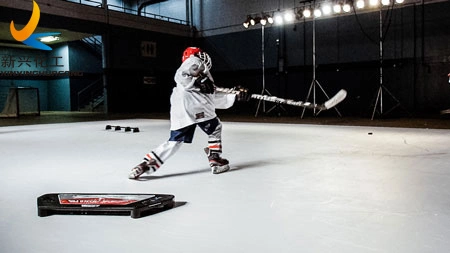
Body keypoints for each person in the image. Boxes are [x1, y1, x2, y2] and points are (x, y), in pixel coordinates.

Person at [129, 47, 248, 179]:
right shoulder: (195, 62)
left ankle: (146, 164)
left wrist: (234, 95)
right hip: (196, 105)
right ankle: (215, 158)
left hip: (180, 108)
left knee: (174, 141)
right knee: (215, 127)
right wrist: (197, 81)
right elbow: (181, 75)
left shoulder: (196, 79)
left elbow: (210, 98)